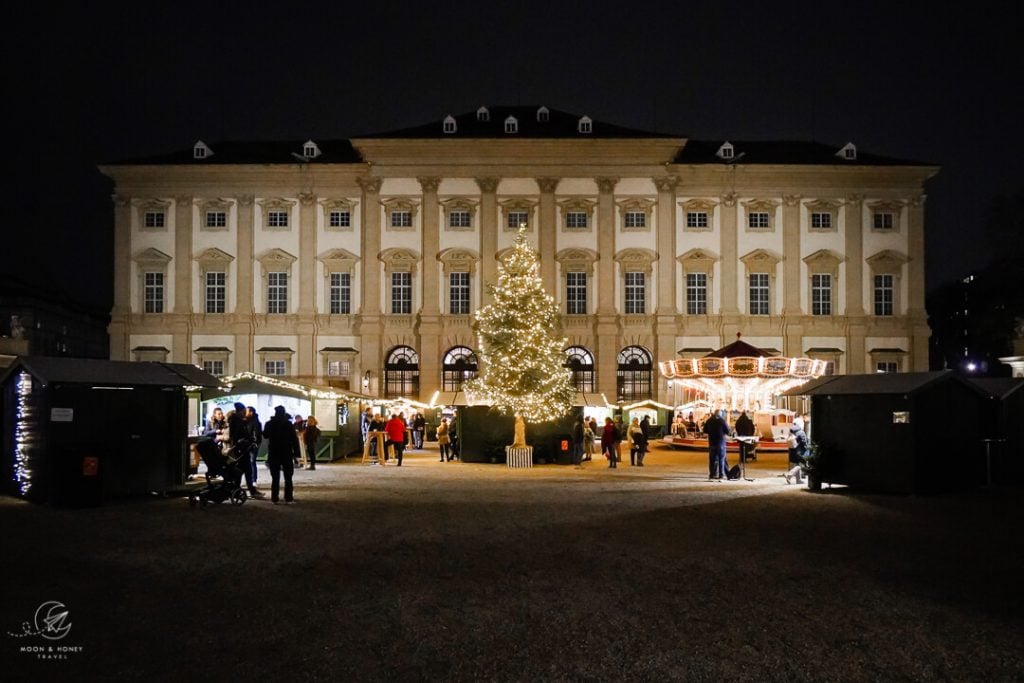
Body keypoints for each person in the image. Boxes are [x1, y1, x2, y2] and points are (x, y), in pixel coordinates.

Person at [264, 405, 300, 504]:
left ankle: (274, 498)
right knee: (288, 477)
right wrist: (297, 453)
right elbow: (294, 439)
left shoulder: (269, 424)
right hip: (286, 452)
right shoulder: (288, 424)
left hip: (273, 452)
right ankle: (288, 498)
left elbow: (265, 435)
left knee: (275, 477)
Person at [227, 401, 260, 497]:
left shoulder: (235, 421)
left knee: (242, 470)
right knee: (246, 470)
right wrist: (247, 440)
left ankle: (237, 489)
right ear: (240, 411)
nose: (244, 413)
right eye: (243, 411)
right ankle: (248, 490)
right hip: (242, 449)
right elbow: (238, 435)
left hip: (240, 449)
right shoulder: (238, 422)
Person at [703, 408, 732, 480]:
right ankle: (721, 475)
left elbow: (705, 430)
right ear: (720, 414)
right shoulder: (722, 421)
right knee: (721, 460)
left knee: (712, 460)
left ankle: (712, 474)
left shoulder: (709, 420)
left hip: (712, 443)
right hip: (721, 443)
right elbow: (728, 431)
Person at [784, 417, 810, 484]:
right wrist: (807, 449)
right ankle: (789, 475)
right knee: (801, 465)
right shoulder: (801, 432)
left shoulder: (791, 431)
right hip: (800, 451)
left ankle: (798, 480)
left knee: (797, 465)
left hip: (792, 451)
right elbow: (804, 443)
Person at [245, 406, 263, 487]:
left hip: (252, 445)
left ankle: (253, 480)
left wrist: (255, 443)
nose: (245, 413)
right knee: (249, 462)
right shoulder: (246, 421)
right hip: (248, 444)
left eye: (247, 411)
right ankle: (251, 480)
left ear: (251, 412)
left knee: (252, 461)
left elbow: (257, 434)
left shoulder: (255, 422)